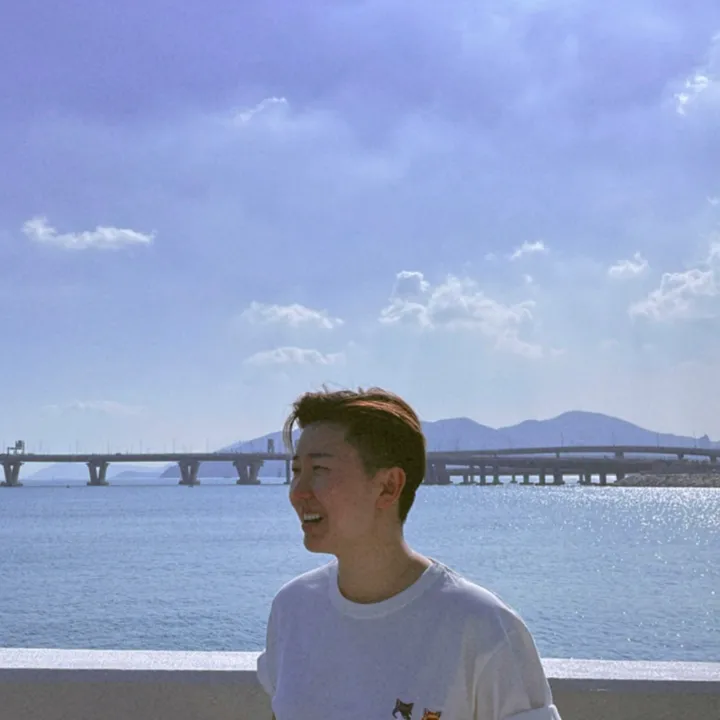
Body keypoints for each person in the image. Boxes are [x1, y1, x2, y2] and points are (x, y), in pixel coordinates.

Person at [256, 387, 561, 719]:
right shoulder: (293, 608)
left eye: (319, 470)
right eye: (296, 471)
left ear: (389, 486)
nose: (298, 492)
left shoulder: (482, 628)